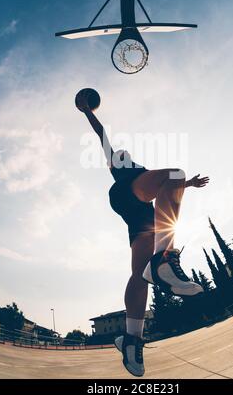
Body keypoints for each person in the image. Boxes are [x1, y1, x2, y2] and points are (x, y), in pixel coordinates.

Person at [79, 99, 209, 377]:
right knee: (174, 174)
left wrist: (188, 185)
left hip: (140, 221)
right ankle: (165, 259)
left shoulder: (142, 171)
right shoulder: (119, 166)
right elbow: (101, 135)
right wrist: (88, 112)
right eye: (120, 155)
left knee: (140, 276)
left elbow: (166, 188)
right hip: (127, 194)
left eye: (125, 154)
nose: (123, 155)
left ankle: (131, 339)